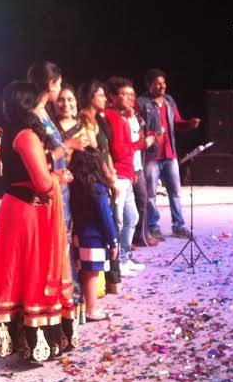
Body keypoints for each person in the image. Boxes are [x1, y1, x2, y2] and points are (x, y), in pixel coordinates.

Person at [0, 81, 76, 362]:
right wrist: (58, 177)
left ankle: (26, 341)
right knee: (31, 272)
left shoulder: (18, 132)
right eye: (38, 103)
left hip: (22, 209)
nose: (42, 109)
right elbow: (43, 183)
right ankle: (32, 342)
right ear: (28, 105)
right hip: (27, 213)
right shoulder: (26, 135)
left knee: (23, 272)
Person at [27, 61, 88, 320]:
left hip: (61, 189)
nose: (60, 89)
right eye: (59, 84)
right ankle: (60, 305)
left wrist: (63, 170)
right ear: (51, 84)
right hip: (50, 193)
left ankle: (69, 303)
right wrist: (68, 146)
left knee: (65, 246)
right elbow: (39, 159)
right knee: (57, 249)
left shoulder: (43, 113)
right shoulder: (33, 116)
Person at [136, 69, 201, 240]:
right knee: (151, 195)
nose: (162, 86)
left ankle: (179, 225)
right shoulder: (141, 102)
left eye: (163, 82)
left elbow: (177, 123)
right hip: (151, 156)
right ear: (149, 85)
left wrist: (189, 124)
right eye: (157, 83)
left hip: (170, 154)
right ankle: (153, 227)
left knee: (176, 192)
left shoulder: (169, 100)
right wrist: (148, 137)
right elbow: (136, 128)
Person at [104, 77, 157, 274]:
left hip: (127, 173)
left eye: (132, 95)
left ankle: (124, 257)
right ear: (112, 97)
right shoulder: (112, 116)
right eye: (124, 94)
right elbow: (119, 151)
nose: (130, 98)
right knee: (118, 221)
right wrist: (142, 144)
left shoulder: (125, 117)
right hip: (118, 175)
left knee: (132, 217)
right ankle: (116, 263)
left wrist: (133, 170)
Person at [77, 80, 122, 293]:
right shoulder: (82, 121)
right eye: (101, 95)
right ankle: (105, 281)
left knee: (114, 224)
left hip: (105, 175)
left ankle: (113, 280)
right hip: (92, 178)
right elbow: (94, 154)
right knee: (104, 226)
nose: (105, 99)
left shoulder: (100, 120)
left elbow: (106, 151)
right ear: (90, 97)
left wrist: (112, 174)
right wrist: (109, 178)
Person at [68, 148, 119, 321]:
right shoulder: (97, 189)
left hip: (79, 234)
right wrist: (113, 241)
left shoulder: (75, 187)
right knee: (92, 273)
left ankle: (85, 307)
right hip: (94, 238)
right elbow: (106, 218)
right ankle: (91, 310)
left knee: (83, 272)